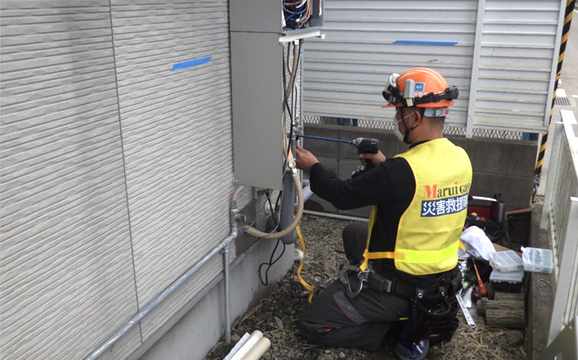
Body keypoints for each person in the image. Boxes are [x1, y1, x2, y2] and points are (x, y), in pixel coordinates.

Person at [295, 68, 473, 360]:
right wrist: (382, 163)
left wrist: (313, 166)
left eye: (399, 112)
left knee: (312, 323)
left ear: (415, 117)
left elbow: (341, 195)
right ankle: (402, 317)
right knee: (354, 234)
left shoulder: (400, 170)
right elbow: (416, 187)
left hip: (404, 289)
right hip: (440, 281)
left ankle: (393, 329)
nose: (396, 119)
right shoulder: (459, 157)